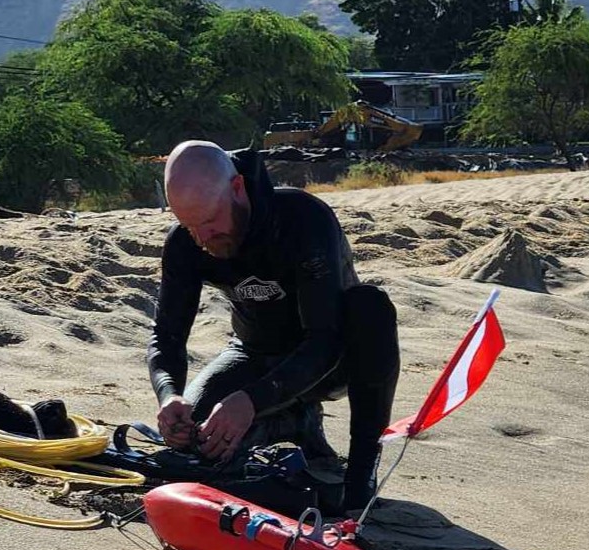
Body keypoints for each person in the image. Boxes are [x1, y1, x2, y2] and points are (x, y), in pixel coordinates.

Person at [147, 140, 401, 514]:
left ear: (237, 189)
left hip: (331, 361)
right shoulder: (187, 241)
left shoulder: (302, 218)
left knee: (370, 306)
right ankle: (291, 424)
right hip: (253, 352)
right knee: (194, 443)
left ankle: (361, 467)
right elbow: (166, 335)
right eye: (189, 226)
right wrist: (169, 395)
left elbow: (324, 340)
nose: (203, 238)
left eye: (210, 221)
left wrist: (251, 401)